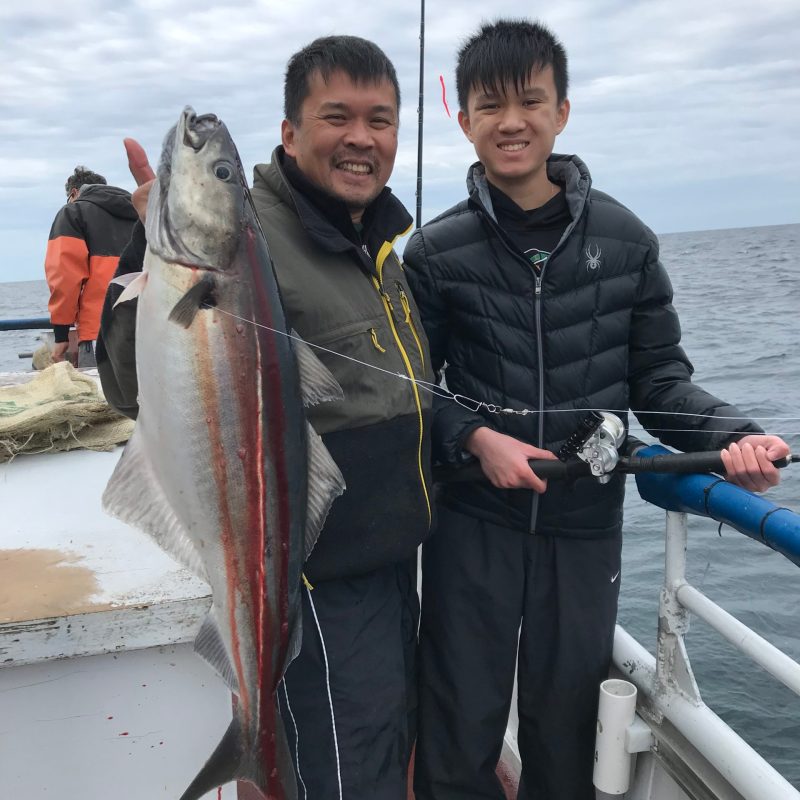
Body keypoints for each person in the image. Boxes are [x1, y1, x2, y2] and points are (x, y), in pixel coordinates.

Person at [402, 19, 790, 800]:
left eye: (530, 102)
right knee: (458, 722)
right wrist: (475, 438)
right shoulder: (434, 252)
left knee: (565, 726)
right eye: (490, 106)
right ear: (464, 119)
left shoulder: (627, 241)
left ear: (563, 111)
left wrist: (736, 438)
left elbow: (661, 385)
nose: (511, 122)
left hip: (584, 528)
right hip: (472, 520)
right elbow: (414, 389)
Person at [97, 35, 432, 800]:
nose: (361, 138)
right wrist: (141, 255)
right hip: (311, 585)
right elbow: (125, 383)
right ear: (289, 133)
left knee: (384, 763)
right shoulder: (255, 242)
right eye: (336, 116)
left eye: (381, 120)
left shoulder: (374, 245)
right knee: (346, 783)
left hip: (391, 571)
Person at [44, 166, 137, 366]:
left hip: (101, 332)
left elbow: (64, 278)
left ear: (74, 193)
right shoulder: (142, 212)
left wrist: (61, 335)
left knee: (103, 397)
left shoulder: (73, 212)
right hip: (151, 331)